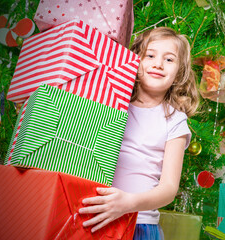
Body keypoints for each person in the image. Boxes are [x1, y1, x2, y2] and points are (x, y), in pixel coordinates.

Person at [79, 27, 199, 239]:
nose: (158, 64)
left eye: (169, 60)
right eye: (150, 55)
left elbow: (169, 189)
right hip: (96, 218)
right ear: (135, 60)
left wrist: (128, 203)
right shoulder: (111, 103)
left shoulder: (175, 120)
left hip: (139, 224)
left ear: (179, 72)